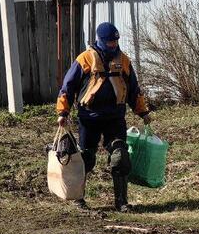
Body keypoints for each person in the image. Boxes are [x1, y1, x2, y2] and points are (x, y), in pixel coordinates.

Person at [56, 22, 152, 211]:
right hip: (89, 118)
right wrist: (62, 112)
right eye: (109, 42)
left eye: (115, 42)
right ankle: (78, 199)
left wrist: (143, 112)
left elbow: (133, 90)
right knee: (85, 159)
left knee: (120, 157)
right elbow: (68, 87)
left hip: (114, 118)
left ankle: (122, 202)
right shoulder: (85, 59)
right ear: (100, 41)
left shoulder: (123, 61)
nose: (113, 45)